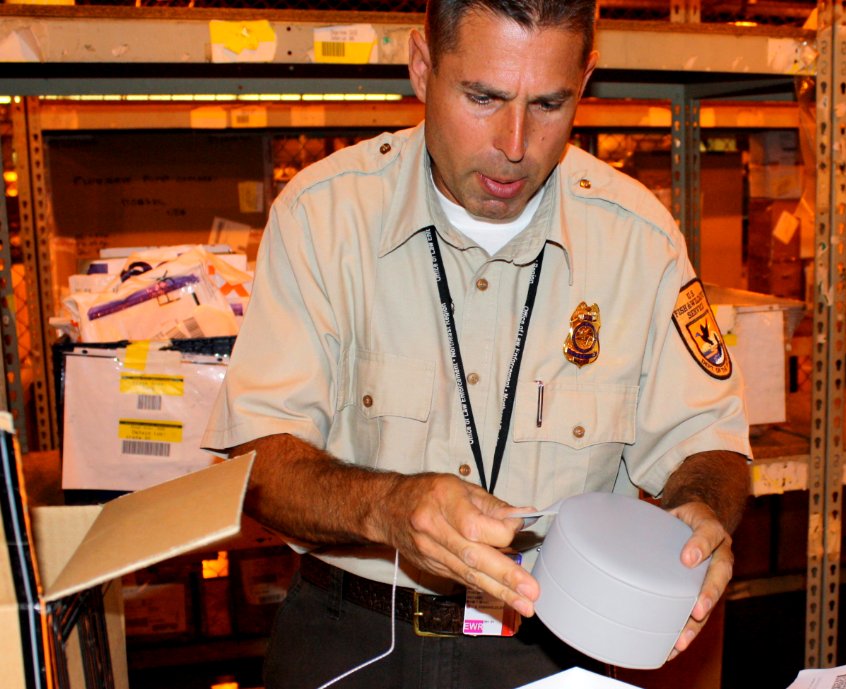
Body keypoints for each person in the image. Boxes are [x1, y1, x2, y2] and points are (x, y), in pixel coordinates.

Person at [202, 1, 752, 687]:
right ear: (422, 67)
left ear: (586, 81)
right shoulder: (324, 219)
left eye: (549, 103)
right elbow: (256, 456)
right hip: (355, 636)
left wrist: (697, 510)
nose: (515, 142)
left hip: (553, 643)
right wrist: (390, 506)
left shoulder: (638, 239)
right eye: (484, 97)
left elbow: (710, 441)